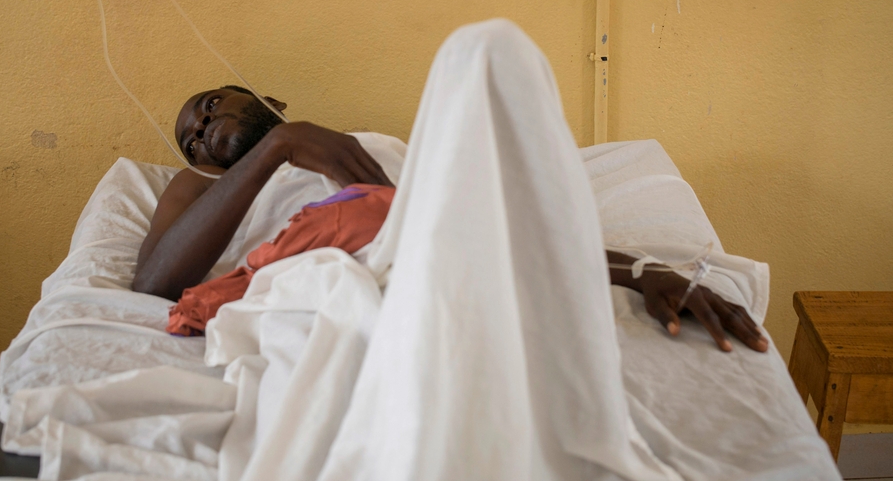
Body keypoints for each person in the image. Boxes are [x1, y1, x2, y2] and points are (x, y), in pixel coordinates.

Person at [133, 22, 767, 355]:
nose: (203, 128)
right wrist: (278, 145)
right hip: (316, 286)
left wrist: (645, 272)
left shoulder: (376, 148)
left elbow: (489, 227)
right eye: (191, 137)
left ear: (265, 97)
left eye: (211, 104)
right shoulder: (198, 190)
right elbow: (154, 284)